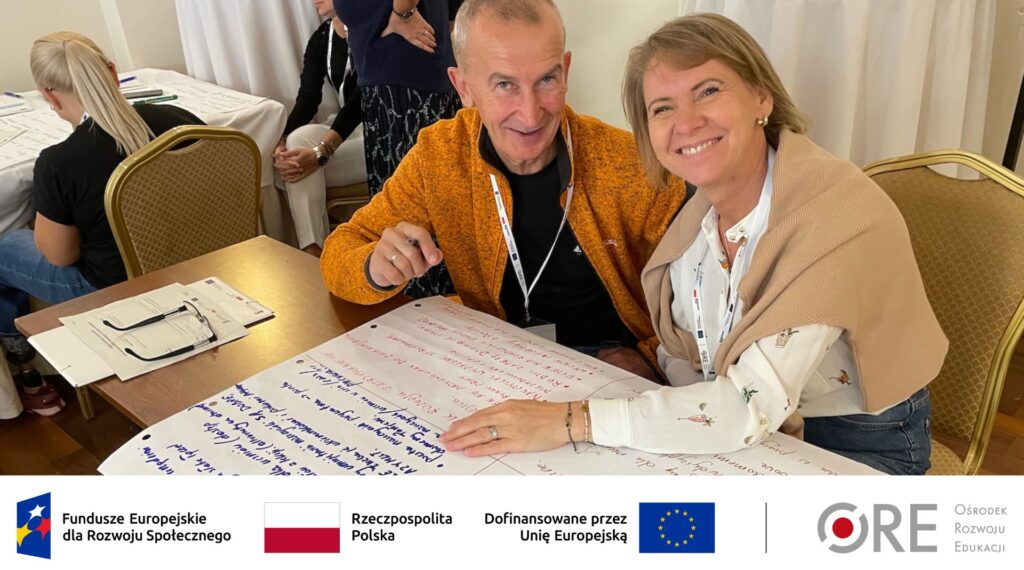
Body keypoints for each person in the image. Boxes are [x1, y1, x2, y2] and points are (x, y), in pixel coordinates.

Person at [441, 13, 948, 475]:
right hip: (750, 429)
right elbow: (684, 355)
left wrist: (572, 420)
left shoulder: (830, 214)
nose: (686, 122)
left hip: (856, 443)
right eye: (663, 107)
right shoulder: (695, 221)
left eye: (708, 91)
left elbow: (746, 407)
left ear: (762, 96)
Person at [321, 0, 685, 381]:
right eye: (505, 85)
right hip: (494, 363)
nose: (530, 114)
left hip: (602, 367)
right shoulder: (440, 155)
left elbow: (703, 290)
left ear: (565, 72)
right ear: (464, 88)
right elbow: (340, 249)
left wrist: (649, 357)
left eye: (546, 80)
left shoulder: (629, 163)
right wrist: (375, 268)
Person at [0, 31, 203, 418]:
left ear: (48, 96)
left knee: (4, 247)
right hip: (200, 260)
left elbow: (60, 256)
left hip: (117, 283)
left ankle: (26, 370)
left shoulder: (60, 162)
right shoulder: (180, 121)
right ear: (112, 72)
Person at [334, 0, 464, 297]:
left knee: (414, 223)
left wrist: (402, 13)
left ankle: (428, 311)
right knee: (418, 214)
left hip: (403, 79)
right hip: (402, 73)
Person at [274, 0, 365, 257]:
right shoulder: (322, 37)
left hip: (379, 132)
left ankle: (315, 255)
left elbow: (362, 99)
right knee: (294, 146)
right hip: (346, 127)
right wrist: (281, 140)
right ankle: (314, 250)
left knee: (300, 164)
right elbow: (308, 99)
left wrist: (321, 152)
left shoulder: (370, 29)